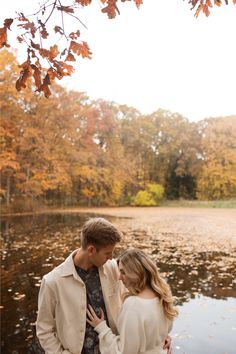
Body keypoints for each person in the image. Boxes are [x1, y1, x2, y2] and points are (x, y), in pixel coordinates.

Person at [36, 217, 172, 354]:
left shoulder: (115, 269)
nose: (112, 257)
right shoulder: (52, 282)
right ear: (91, 250)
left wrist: (158, 336)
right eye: (107, 253)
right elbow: (44, 330)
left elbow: (143, 301)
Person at [87, 248, 178, 354]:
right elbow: (162, 335)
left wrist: (101, 327)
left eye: (123, 272)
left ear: (136, 273)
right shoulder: (163, 296)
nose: (120, 278)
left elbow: (123, 351)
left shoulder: (133, 305)